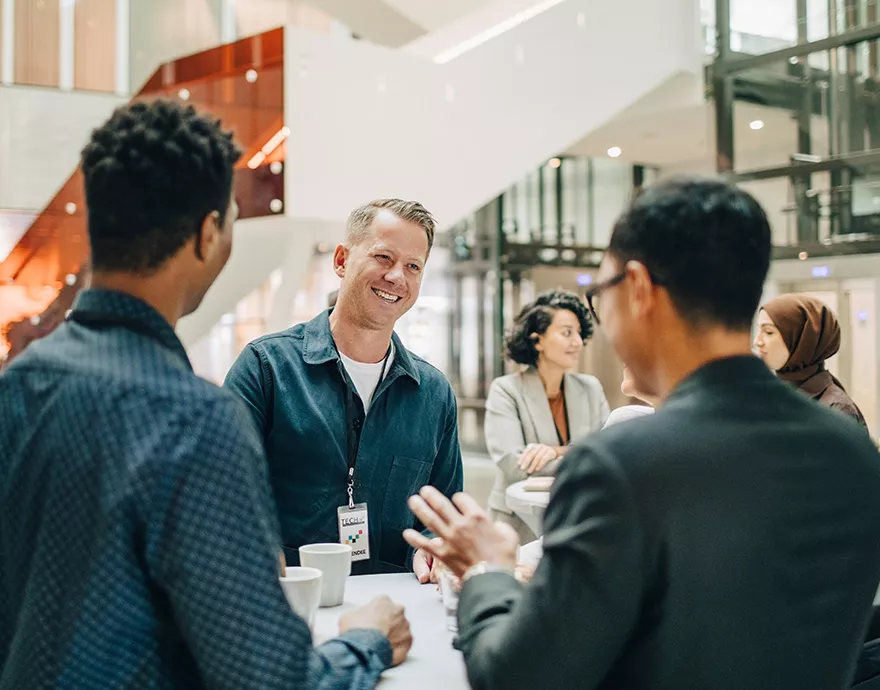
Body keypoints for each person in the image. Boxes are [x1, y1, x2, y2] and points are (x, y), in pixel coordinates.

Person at [403, 177, 880, 690]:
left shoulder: (624, 464)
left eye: (598, 294)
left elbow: (516, 677)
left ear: (638, 289)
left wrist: (486, 571)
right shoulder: (851, 451)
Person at [0, 100, 412, 690]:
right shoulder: (196, 421)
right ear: (208, 233)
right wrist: (367, 639)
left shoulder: (15, 389)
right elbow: (270, 680)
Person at [225, 199, 462, 583]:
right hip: (289, 601)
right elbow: (224, 492)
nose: (397, 277)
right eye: (383, 257)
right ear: (341, 260)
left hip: (398, 605)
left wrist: (433, 547)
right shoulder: (267, 367)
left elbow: (446, 511)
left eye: (413, 266)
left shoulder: (433, 393)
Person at [484, 290, 608, 543]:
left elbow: (607, 451)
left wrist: (557, 452)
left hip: (577, 519)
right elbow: (514, 464)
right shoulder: (506, 389)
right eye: (566, 333)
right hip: (517, 524)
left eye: (578, 333)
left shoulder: (590, 388)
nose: (577, 342)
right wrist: (583, 457)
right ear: (537, 340)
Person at [756, 293, 868, 428]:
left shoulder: (836, 409)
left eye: (768, 332)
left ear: (802, 340)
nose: (758, 341)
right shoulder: (770, 396)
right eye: (758, 330)